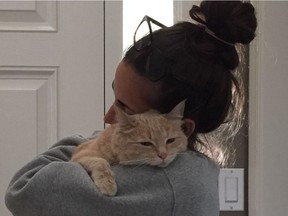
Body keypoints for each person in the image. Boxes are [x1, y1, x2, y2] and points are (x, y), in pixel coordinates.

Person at [5, 1, 257, 216]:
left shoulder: (167, 184)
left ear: (181, 126)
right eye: (115, 97)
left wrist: (103, 142)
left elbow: (25, 187)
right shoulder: (198, 169)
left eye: (124, 108)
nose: (107, 118)